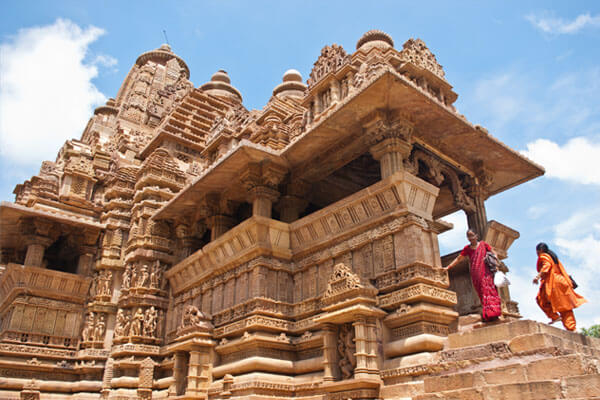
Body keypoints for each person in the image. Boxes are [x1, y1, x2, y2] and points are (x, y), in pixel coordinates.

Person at [446, 229, 502, 321]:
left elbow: (493, 252)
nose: (470, 238)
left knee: (489, 290)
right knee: (481, 292)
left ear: (476, 236)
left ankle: (494, 313)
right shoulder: (467, 249)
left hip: (486, 271)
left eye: (472, 236)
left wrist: (495, 262)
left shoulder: (484, 244)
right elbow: (459, 258)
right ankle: (488, 314)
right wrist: (448, 267)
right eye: (468, 236)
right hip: (476, 273)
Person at [533, 242, 586, 331]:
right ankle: (572, 328)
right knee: (565, 306)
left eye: (537, 251)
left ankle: (554, 317)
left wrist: (537, 277)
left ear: (539, 250)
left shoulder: (543, 256)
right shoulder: (554, 258)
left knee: (540, 299)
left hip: (554, 283)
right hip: (562, 282)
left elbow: (547, 266)